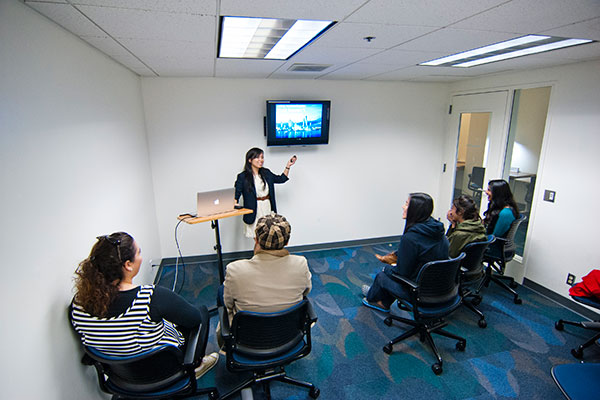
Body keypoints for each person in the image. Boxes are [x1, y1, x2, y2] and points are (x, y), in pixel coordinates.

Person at [70, 232, 218, 378]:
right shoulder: (151, 297)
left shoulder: (78, 304)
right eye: (139, 252)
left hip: (120, 374)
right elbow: (194, 319)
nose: (141, 256)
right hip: (163, 369)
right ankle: (196, 366)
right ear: (128, 265)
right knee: (201, 313)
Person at [217, 214, 312, 343]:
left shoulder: (235, 270)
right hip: (288, 335)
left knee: (221, 292)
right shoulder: (301, 264)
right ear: (287, 241)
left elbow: (228, 304)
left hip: (248, 338)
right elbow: (306, 291)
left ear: (256, 239)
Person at [362, 193, 449, 312]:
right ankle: (380, 299)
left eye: (407, 204)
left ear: (415, 210)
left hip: (420, 293)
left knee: (383, 275)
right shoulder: (439, 231)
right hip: (442, 289)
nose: (403, 207)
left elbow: (402, 273)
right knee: (391, 272)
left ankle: (372, 297)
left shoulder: (411, 238)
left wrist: (388, 268)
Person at [234, 147, 296, 238]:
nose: (261, 160)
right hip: (254, 210)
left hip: (267, 208)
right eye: (257, 157)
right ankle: (257, 253)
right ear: (250, 160)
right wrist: (235, 203)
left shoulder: (266, 172)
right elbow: (236, 193)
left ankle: (263, 253)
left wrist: (288, 166)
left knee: (268, 238)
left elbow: (281, 179)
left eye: (262, 157)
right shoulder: (242, 177)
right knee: (258, 240)